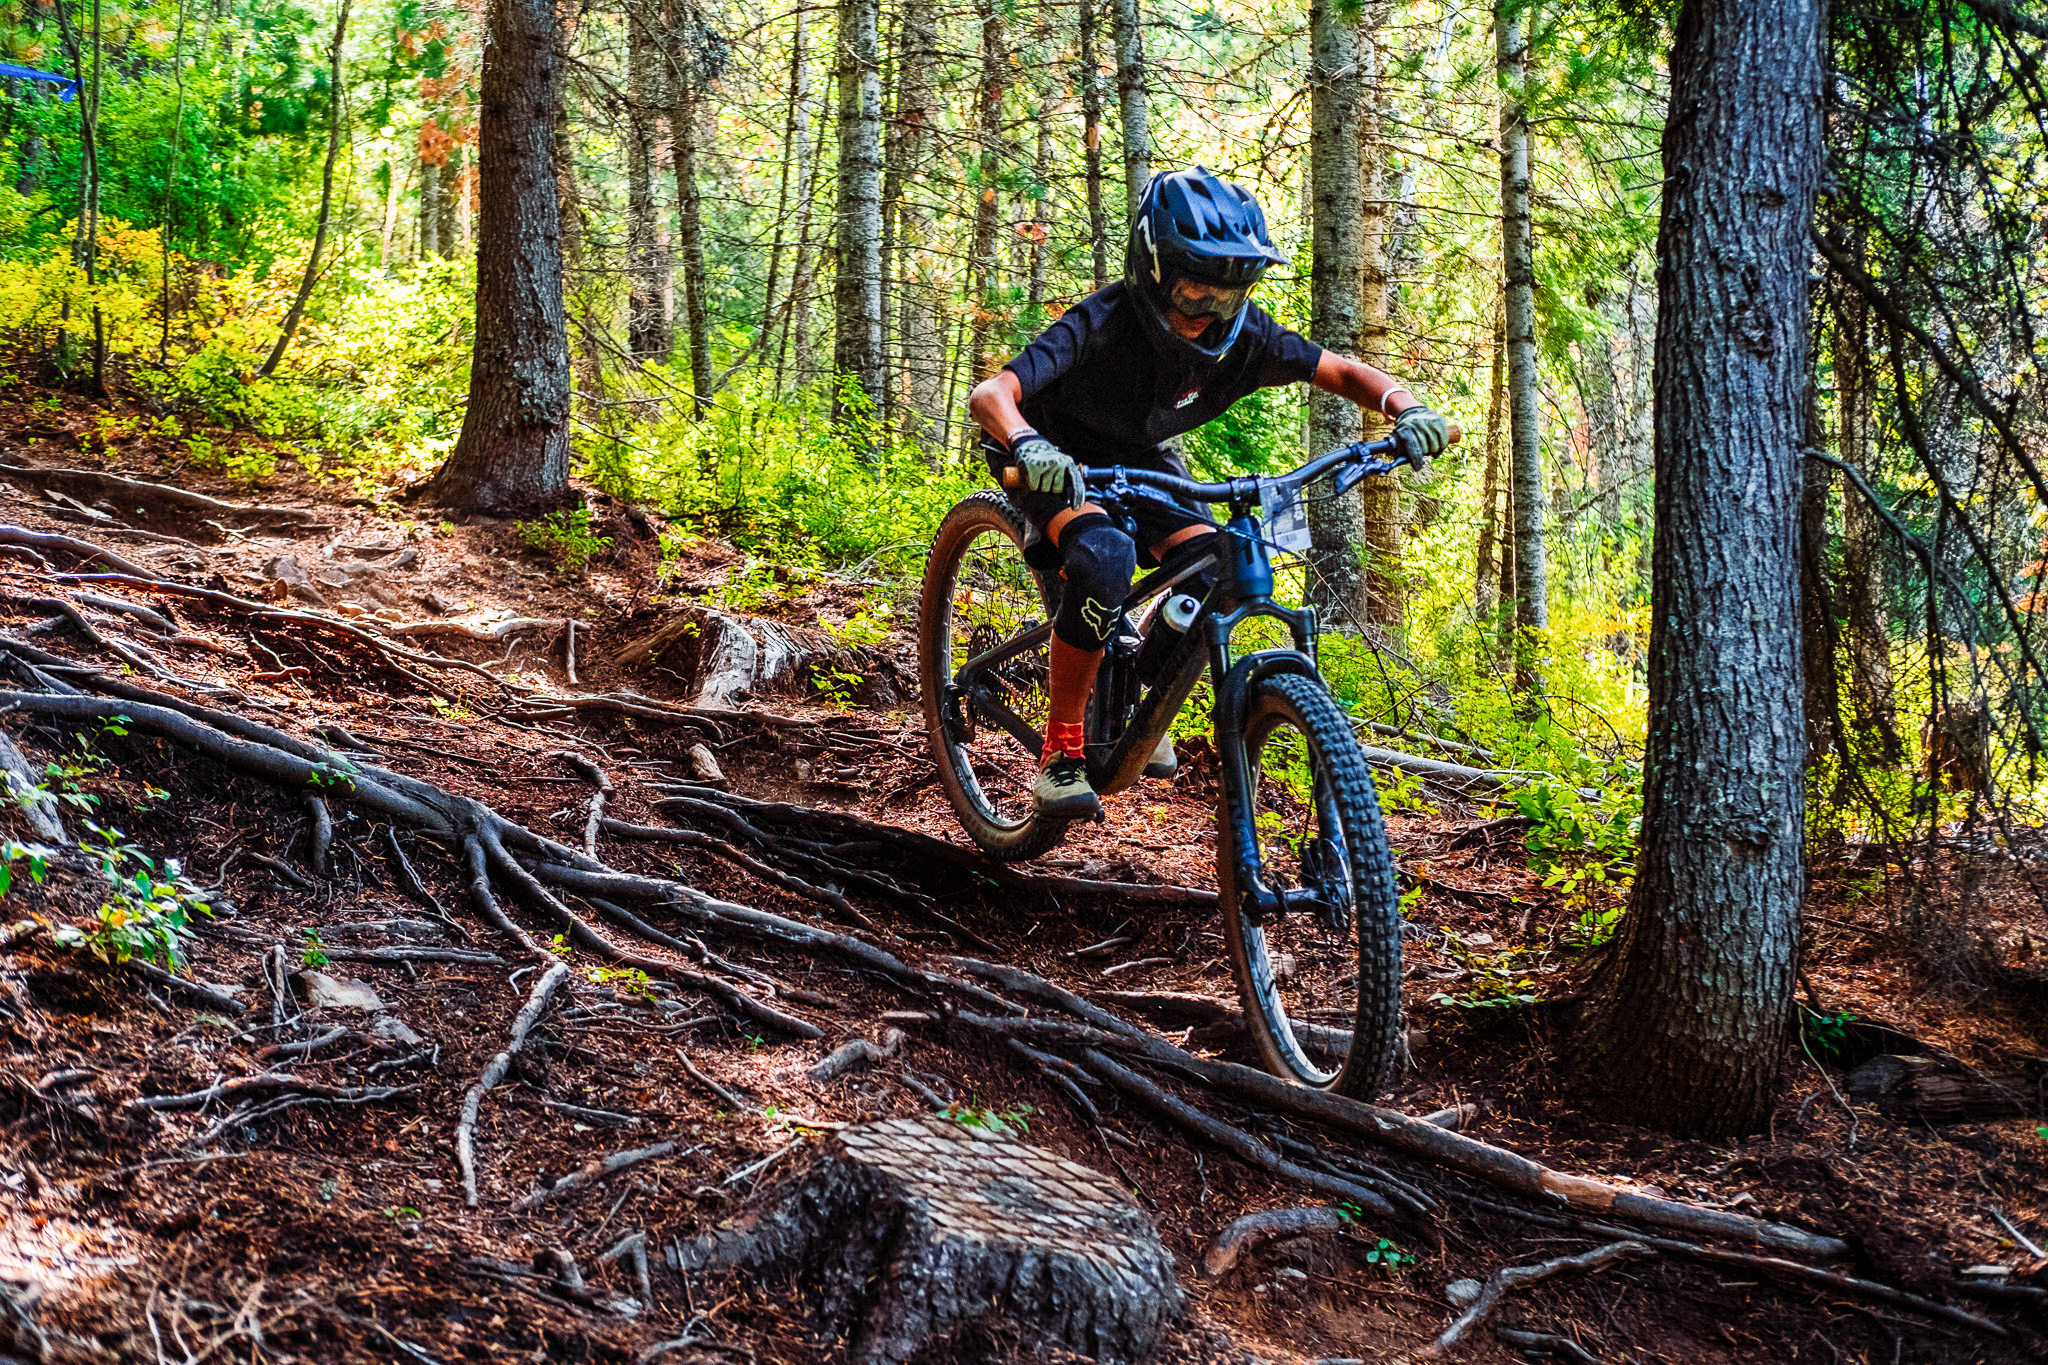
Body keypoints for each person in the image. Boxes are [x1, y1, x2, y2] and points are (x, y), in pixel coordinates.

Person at [968, 165, 1453, 821]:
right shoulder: (1105, 321)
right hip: (1048, 451)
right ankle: (1062, 749)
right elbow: (991, 394)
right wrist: (1029, 443)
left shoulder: (1246, 337)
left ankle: (1132, 681)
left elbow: (1338, 369)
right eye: (1194, 293)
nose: (1207, 314)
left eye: (1226, 298)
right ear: (1153, 271)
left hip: (1142, 455)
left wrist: (1405, 407)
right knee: (1106, 558)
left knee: (1223, 562)